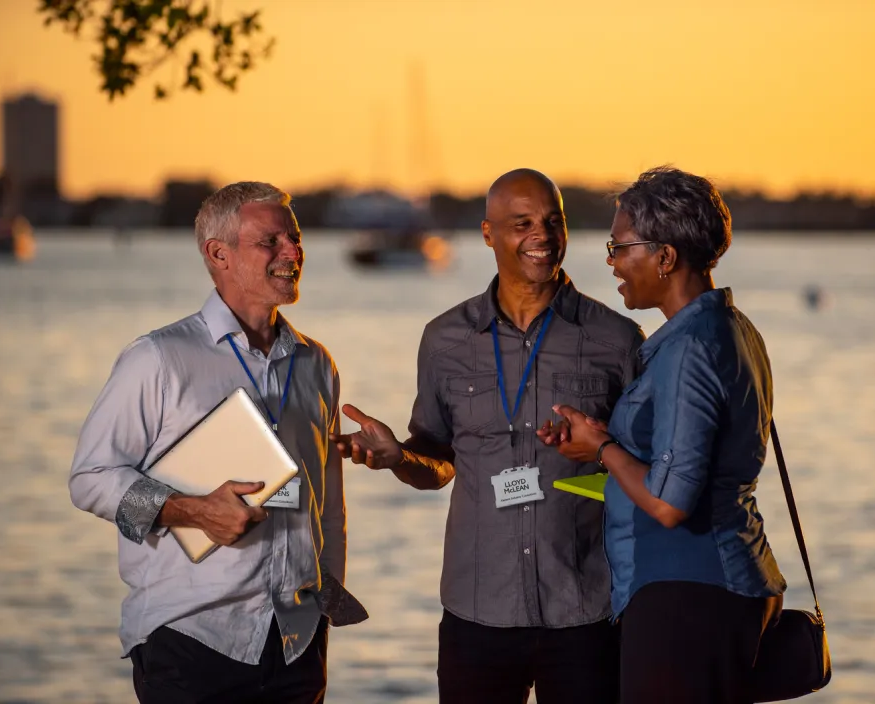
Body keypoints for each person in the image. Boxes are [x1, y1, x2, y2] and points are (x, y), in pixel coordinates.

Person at [332, 169, 644, 704]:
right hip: (476, 612)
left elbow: (644, 472)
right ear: (487, 233)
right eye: (522, 224)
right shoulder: (444, 340)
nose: (542, 236)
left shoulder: (617, 340)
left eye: (553, 221)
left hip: (587, 610)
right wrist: (397, 457)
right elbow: (437, 463)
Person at [69, 182, 366, 704]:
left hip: (296, 643)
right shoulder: (158, 358)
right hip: (192, 638)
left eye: (294, 238)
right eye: (270, 241)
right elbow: (89, 481)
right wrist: (192, 510)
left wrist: (324, 607)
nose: (292, 252)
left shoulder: (317, 363)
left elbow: (329, 505)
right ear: (218, 254)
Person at [540, 166, 787, 703]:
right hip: (727, 580)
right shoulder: (732, 328)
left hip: (689, 594)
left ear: (665, 257)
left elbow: (670, 504)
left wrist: (602, 447)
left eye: (619, 246)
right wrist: (603, 445)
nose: (611, 261)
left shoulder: (688, 348)